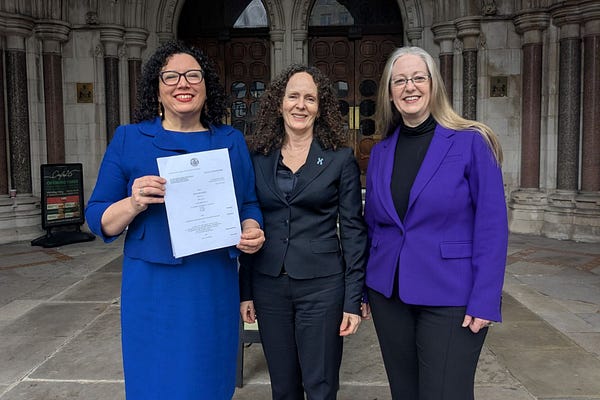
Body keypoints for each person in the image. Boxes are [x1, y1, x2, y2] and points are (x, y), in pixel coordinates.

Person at [84, 40, 265, 400]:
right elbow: (98, 218)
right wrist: (133, 202)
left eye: (193, 75)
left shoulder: (230, 140)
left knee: (208, 377)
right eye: (171, 76)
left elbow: (248, 203)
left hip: (211, 282)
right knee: (156, 379)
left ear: (206, 86)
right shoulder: (129, 139)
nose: (183, 83)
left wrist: (251, 227)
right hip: (152, 287)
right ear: (156, 88)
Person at [362, 46, 508, 400]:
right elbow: (373, 227)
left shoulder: (472, 141)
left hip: (451, 295)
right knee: (405, 393)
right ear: (390, 93)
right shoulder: (380, 152)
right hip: (389, 296)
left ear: (433, 85)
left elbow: (492, 227)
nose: (409, 87)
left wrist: (486, 299)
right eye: (400, 81)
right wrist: (363, 290)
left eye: (418, 78)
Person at [239, 64, 368, 400]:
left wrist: (353, 299)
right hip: (269, 285)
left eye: (310, 98)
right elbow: (250, 221)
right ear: (278, 103)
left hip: (323, 287)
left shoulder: (340, 159)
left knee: (320, 385)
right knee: (283, 387)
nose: (300, 105)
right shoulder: (257, 158)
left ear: (320, 108)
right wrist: (246, 291)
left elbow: (353, 232)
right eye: (293, 96)